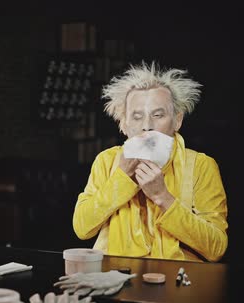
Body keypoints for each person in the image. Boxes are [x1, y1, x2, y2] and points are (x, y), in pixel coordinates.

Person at [72, 62, 228, 262]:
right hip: (115, 279)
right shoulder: (106, 161)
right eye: (137, 117)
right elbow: (82, 229)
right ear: (124, 124)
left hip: (179, 283)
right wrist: (122, 180)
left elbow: (216, 248)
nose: (147, 126)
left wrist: (163, 197)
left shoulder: (200, 166)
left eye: (158, 115)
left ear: (177, 120)